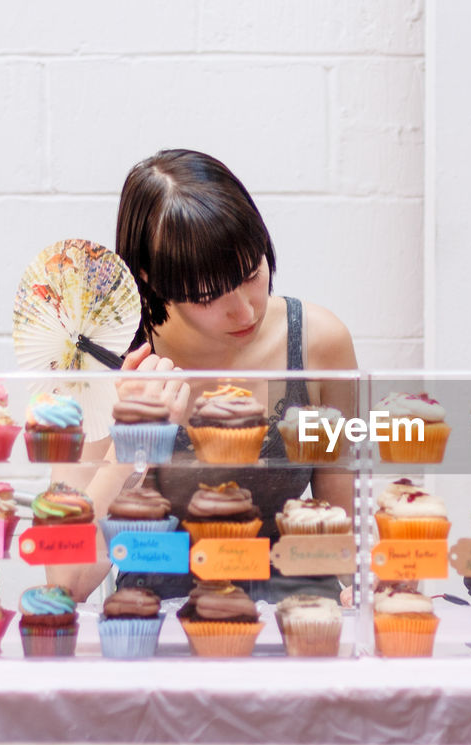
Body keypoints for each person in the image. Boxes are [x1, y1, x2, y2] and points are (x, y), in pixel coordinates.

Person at [49, 149, 357, 602]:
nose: (245, 309)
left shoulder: (317, 345)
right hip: (156, 632)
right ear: (150, 280)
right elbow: (65, 583)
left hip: (295, 627)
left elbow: (337, 531)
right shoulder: (105, 364)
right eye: (210, 296)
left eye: (253, 273)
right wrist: (132, 449)